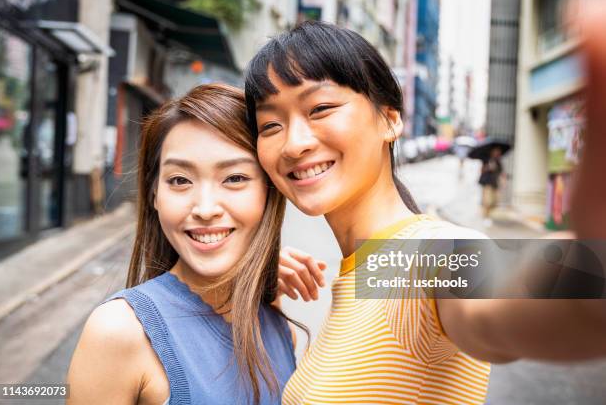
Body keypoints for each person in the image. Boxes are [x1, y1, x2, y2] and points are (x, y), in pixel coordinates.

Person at [244, 21, 606, 404]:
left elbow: (500, 304)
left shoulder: (430, 255)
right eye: (270, 125)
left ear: (390, 119)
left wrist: (587, 280)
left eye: (320, 108)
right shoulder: (367, 269)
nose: (294, 143)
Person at [67, 84, 297, 405]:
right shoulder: (120, 332)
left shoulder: (277, 325)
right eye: (179, 180)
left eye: (234, 178)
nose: (204, 208)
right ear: (154, 195)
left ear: (269, 192)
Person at [478, 147, 503, 225]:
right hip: (487, 183)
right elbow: (481, 170)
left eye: (498, 151)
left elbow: (501, 172)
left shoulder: (498, 161)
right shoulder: (486, 160)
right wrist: (488, 167)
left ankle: (488, 214)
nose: (496, 153)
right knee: (487, 201)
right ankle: (486, 216)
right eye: (495, 151)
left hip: (494, 183)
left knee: (494, 202)